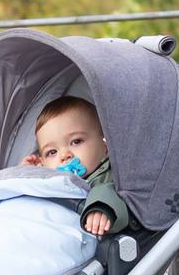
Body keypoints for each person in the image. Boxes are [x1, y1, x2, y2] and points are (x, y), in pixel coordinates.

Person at [22, 96, 128, 236]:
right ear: (43, 163)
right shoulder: (50, 179)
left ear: (105, 145)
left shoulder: (111, 176)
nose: (64, 155)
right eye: (52, 152)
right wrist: (29, 175)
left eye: (76, 141)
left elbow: (110, 191)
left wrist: (102, 207)